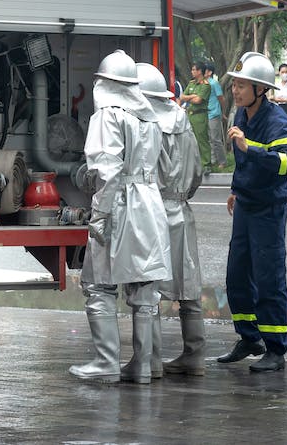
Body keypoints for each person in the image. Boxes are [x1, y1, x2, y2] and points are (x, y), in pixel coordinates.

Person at [69, 50, 170, 385]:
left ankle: (106, 362)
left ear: (105, 84)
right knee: (144, 289)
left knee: (99, 284)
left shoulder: (108, 116)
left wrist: (99, 214)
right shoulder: (150, 117)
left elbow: (106, 171)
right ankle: (143, 366)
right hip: (149, 204)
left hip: (120, 205)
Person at [217, 51, 287, 373]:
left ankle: (276, 349)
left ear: (260, 89)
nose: (235, 91)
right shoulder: (241, 116)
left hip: (269, 209)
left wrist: (252, 147)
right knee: (237, 275)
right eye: (234, 84)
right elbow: (244, 162)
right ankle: (249, 338)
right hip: (247, 205)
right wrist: (236, 189)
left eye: (242, 85)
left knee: (269, 277)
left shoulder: (277, 119)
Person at [137, 63, 206, 377]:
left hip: (152, 211)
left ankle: (151, 362)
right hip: (181, 208)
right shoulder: (183, 120)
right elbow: (197, 173)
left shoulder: (144, 122)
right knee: (188, 286)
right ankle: (195, 355)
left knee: (146, 288)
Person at [179, 61, 212, 172]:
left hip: (200, 116)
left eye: (194, 70)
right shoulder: (191, 83)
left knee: (202, 140)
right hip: (190, 115)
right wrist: (192, 96)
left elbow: (198, 101)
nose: (192, 72)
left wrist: (190, 97)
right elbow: (182, 96)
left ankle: (206, 164)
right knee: (189, 140)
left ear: (199, 71)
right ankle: (193, 164)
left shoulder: (206, 85)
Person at [205, 63, 227, 170]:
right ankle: (212, 161)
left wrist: (223, 112)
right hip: (204, 114)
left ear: (209, 72)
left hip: (214, 114)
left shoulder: (214, 83)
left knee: (215, 139)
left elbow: (221, 98)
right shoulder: (201, 83)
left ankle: (222, 161)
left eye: (204, 70)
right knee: (208, 139)